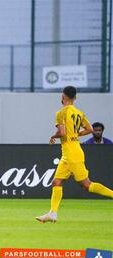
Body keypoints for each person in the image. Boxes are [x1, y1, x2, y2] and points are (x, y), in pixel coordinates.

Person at [36, 86, 113, 223]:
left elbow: (62, 133)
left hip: (72, 153)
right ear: (75, 98)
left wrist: (54, 136)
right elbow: (89, 129)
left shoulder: (61, 113)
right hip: (70, 152)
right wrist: (76, 134)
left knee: (87, 185)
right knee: (56, 182)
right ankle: (52, 213)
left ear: (63, 97)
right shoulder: (79, 113)